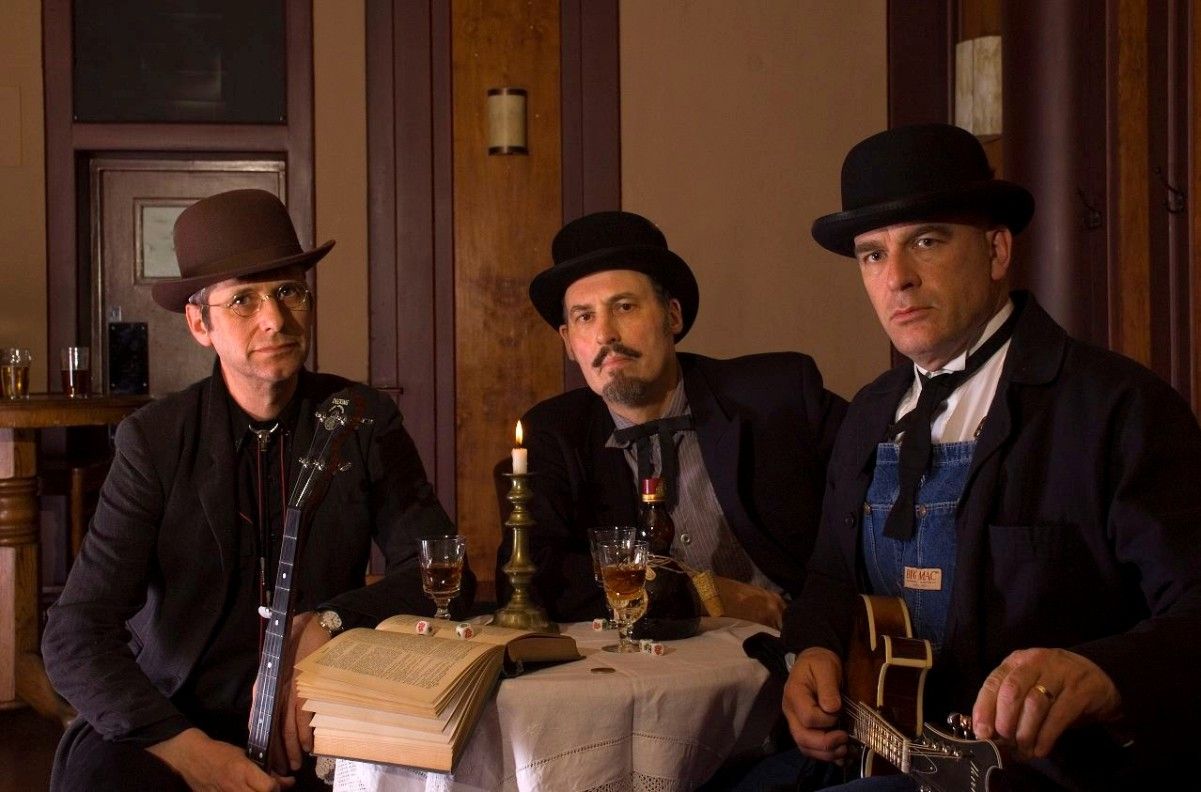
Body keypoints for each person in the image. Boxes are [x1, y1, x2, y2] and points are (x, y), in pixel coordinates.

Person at [780, 124, 1201, 790]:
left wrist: (1102, 673)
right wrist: (812, 651)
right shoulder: (866, 413)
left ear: (996, 249)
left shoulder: (1117, 407)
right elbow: (830, 581)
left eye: (926, 241)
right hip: (878, 756)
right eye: (872, 255)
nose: (897, 278)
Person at [43, 189, 474, 792]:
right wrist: (190, 751)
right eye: (243, 300)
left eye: (289, 291)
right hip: (173, 717)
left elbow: (447, 575)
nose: (275, 319)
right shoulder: (155, 440)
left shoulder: (362, 419)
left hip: (320, 714)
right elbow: (74, 633)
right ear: (200, 323)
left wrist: (330, 623)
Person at [502, 210, 846, 628]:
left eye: (624, 306)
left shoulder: (779, 394)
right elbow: (535, 578)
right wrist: (700, 593)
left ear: (673, 316)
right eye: (584, 317)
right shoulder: (553, 433)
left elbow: (870, 512)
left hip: (793, 643)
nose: (605, 334)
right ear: (569, 343)